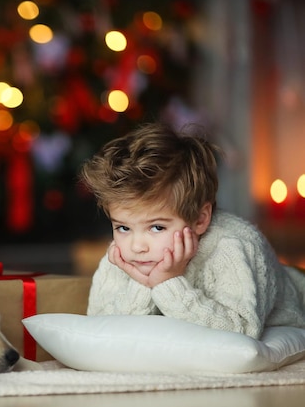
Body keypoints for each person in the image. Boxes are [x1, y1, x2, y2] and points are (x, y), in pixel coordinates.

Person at [80, 122, 305, 339]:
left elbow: (242, 331)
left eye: (157, 227)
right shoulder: (122, 255)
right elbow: (98, 325)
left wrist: (167, 283)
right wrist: (143, 284)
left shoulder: (231, 247)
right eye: (123, 227)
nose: (137, 246)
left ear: (200, 219)